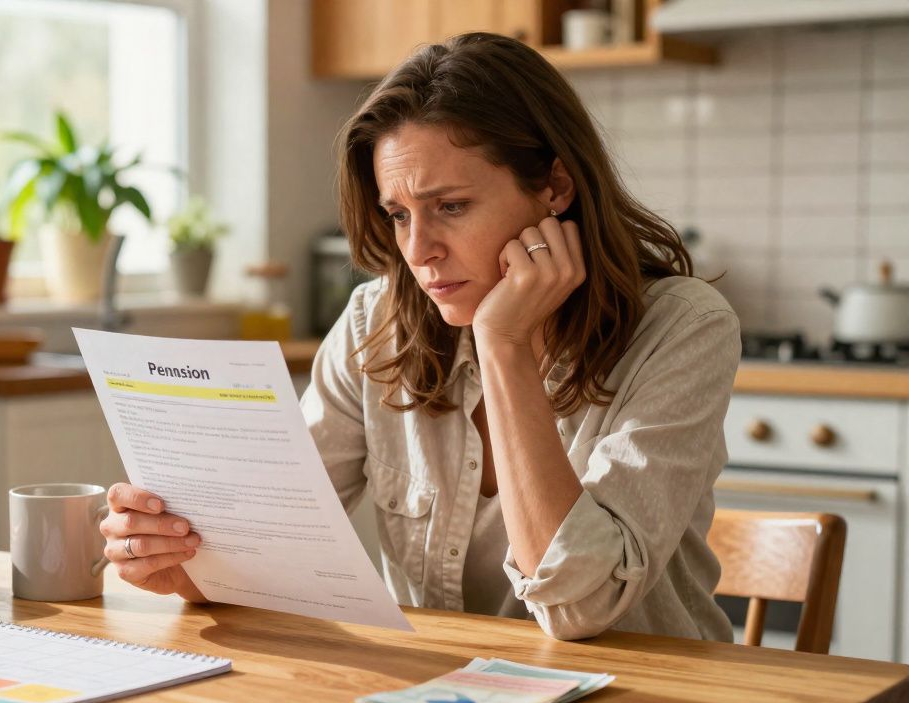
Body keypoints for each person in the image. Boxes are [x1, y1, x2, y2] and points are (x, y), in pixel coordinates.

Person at [99, 33, 739, 642]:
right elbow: (265, 549)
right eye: (399, 214)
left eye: (452, 206)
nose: (418, 250)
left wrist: (503, 344)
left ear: (555, 188)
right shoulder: (373, 324)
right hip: (438, 700)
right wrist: (190, 562)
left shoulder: (684, 328)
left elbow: (581, 605)